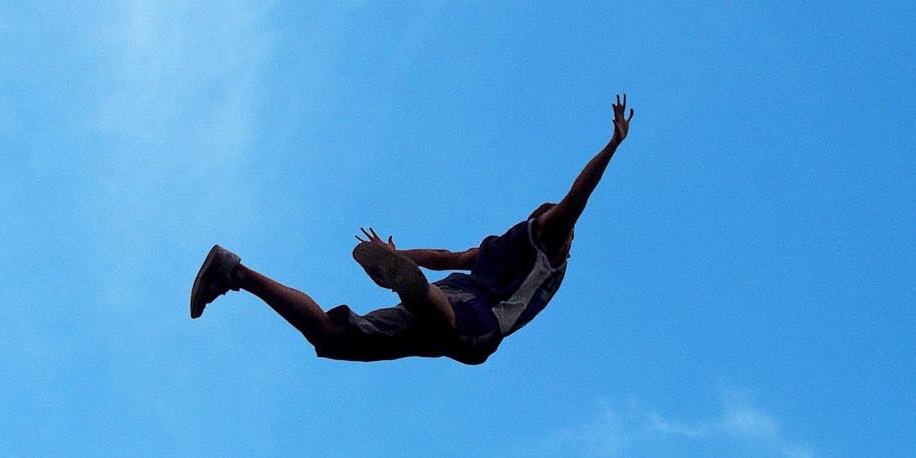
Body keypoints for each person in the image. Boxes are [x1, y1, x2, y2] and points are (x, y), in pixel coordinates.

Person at [188, 95, 634, 366]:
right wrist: (612, 145)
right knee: (465, 337)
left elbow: (451, 257)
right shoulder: (550, 242)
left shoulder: (504, 244)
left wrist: (401, 255)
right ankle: (413, 290)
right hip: (473, 314)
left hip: (450, 288)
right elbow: (580, 194)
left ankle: (236, 273)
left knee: (331, 337)